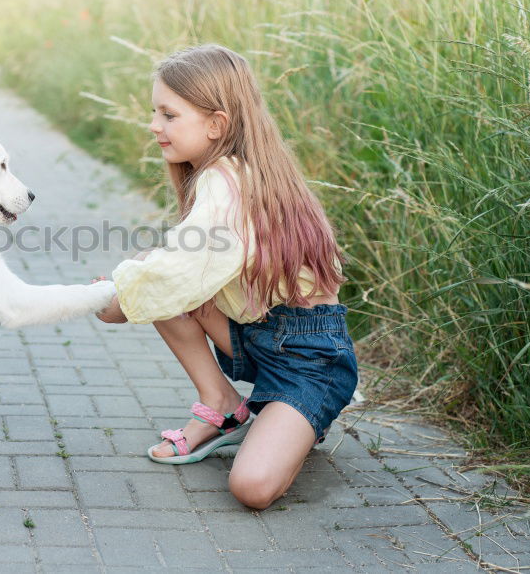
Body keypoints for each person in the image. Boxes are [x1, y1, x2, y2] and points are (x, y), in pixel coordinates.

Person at [94, 44, 358, 510]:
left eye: (169, 114)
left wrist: (117, 300)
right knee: (156, 267)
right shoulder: (225, 174)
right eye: (155, 112)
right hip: (255, 336)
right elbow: (178, 266)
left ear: (216, 124)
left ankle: (302, 416)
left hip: (309, 358)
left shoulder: (228, 180)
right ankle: (220, 401)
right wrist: (133, 283)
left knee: (251, 488)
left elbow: (177, 274)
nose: (154, 126)